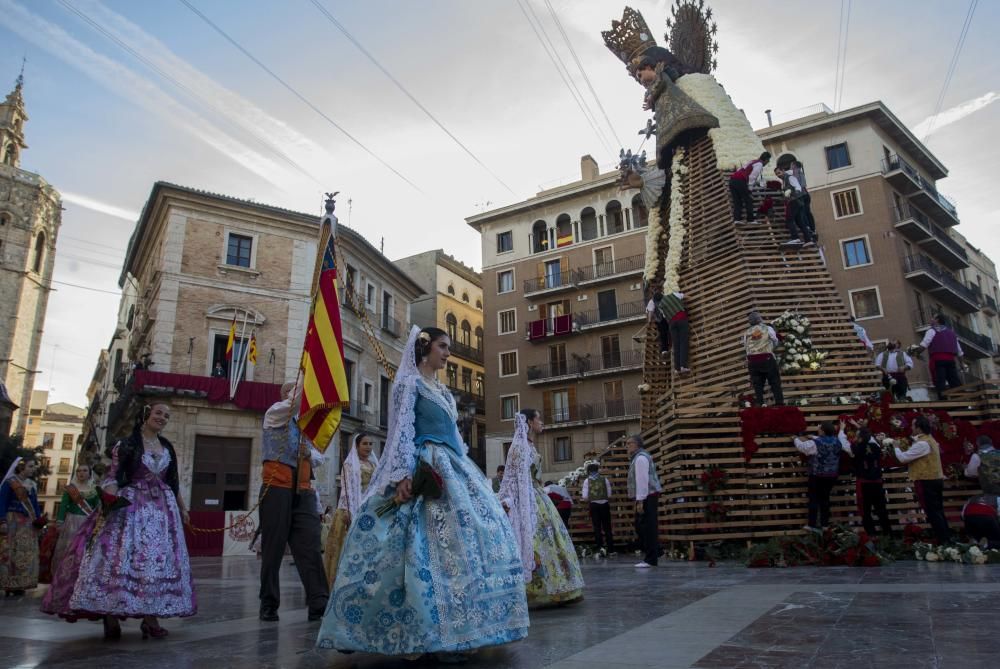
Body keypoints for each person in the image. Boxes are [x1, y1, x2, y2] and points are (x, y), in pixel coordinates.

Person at [317, 327, 528, 659]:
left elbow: (456, 440)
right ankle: (409, 628)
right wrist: (402, 474)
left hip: (453, 466)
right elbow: (402, 427)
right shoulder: (409, 383)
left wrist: (470, 474)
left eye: (448, 348)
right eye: (443, 347)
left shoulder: (443, 392)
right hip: (424, 463)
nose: (447, 354)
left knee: (466, 544)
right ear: (425, 348)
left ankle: (462, 624)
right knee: (413, 546)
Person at [42, 403, 195, 639]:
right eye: (158, 413)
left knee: (155, 561)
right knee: (119, 559)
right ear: (146, 415)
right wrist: (110, 499)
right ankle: (110, 615)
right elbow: (114, 476)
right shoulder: (128, 444)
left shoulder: (167, 447)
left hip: (162, 512)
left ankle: (150, 617)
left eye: (166, 416)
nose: (162, 418)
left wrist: (183, 509)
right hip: (131, 509)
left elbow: (173, 483)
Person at [258, 381, 329, 623]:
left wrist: (310, 453)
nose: (295, 396)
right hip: (277, 485)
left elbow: (319, 457)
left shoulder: (306, 427)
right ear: (284, 395)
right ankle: (268, 603)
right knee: (273, 548)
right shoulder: (274, 414)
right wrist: (307, 374)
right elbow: (296, 401)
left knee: (309, 545)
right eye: (292, 391)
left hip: (304, 488)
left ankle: (319, 602)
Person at [499, 410, 584, 609]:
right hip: (529, 499)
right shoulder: (519, 447)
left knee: (549, 540)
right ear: (529, 422)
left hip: (538, 496)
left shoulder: (529, 445)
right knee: (536, 539)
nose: (541, 422)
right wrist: (510, 501)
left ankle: (557, 586)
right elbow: (512, 478)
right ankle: (536, 590)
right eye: (538, 419)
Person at [322, 432, 378, 589]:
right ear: (357, 446)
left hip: (368, 510)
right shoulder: (349, 465)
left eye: (370, 444)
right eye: (365, 444)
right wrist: (347, 509)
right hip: (350, 509)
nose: (368, 447)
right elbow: (347, 490)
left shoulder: (374, 465)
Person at [894, 415, 951, 544]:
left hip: (927, 481)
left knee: (933, 512)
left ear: (919, 428)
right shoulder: (930, 439)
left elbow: (903, 458)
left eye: (913, 426)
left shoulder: (922, 444)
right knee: (937, 511)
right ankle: (945, 537)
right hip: (934, 479)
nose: (911, 428)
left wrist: (896, 446)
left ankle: (943, 540)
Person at [793, 422, 851, 530]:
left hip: (817, 475)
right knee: (825, 499)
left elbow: (802, 447)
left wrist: (795, 438)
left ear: (823, 431)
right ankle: (825, 524)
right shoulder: (838, 442)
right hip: (832, 475)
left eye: (819, 429)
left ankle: (812, 524)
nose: (818, 430)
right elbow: (828, 442)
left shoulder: (816, 442)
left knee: (813, 499)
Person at [0, 457, 43, 596]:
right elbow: (2, 502)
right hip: (12, 520)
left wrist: (38, 520)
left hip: (28, 523)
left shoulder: (31, 484)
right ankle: (7, 582)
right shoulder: (10, 483)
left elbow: (35, 505)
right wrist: (2, 521)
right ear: (21, 468)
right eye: (30, 466)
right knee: (10, 551)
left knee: (25, 552)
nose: (33, 469)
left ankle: (20, 584)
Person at [50, 463, 99, 571]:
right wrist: (60, 522)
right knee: (69, 548)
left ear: (90, 474)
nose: (81, 473)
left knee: (84, 549)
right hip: (71, 522)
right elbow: (63, 506)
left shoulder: (95, 489)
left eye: (85, 470)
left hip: (87, 523)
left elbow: (97, 508)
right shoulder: (70, 489)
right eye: (79, 471)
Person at [848, 426, 892, 536]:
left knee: (865, 511)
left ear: (861, 438)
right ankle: (888, 535)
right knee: (881, 510)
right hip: (877, 482)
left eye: (857, 436)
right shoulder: (876, 447)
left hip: (864, 483)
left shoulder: (857, 447)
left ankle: (872, 536)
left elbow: (853, 461)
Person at [627, 435, 661, 568]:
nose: (627, 446)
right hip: (647, 495)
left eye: (629, 443)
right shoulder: (639, 457)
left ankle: (651, 559)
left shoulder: (640, 458)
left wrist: (640, 500)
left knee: (646, 527)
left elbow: (642, 480)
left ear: (637, 445)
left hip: (647, 496)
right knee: (643, 526)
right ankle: (657, 551)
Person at [915, 314, 964, 399]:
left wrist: (917, 353)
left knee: (940, 383)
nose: (930, 319)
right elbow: (959, 351)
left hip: (938, 361)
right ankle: (961, 402)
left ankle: (944, 403)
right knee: (954, 382)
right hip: (951, 361)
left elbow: (924, 344)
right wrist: (962, 364)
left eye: (933, 318)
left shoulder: (932, 331)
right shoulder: (951, 332)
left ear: (937, 320)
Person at [742, 311, 784, 406]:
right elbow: (775, 340)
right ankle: (779, 403)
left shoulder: (746, 333)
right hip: (766, 359)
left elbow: (746, 347)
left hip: (752, 361)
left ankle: (760, 404)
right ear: (759, 319)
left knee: (757, 385)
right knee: (774, 381)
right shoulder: (767, 328)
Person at [774, 166, 813, 246]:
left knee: (789, 219)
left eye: (779, 173)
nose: (778, 175)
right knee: (800, 222)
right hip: (797, 202)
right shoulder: (784, 181)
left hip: (794, 201)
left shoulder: (790, 177)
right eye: (776, 174)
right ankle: (808, 240)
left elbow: (798, 187)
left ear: (783, 170)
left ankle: (795, 238)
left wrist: (795, 194)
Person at [581, 462, 614, 554]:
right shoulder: (604, 479)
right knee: (607, 527)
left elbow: (585, 497)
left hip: (594, 505)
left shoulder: (587, 481)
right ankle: (611, 548)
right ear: (597, 470)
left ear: (589, 471)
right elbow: (609, 494)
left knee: (597, 527)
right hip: (605, 504)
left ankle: (600, 548)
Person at [655, 291, 691, 374]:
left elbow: (665, 316)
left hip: (671, 324)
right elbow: (684, 296)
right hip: (681, 320)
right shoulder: (673, 295)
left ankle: (677, 368)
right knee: (683, 342)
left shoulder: (660, 306)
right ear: (662, 294)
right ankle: (683, 366)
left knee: (676, 345)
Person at [729, 152, 770, 224]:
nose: (768, 163)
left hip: (733, 180)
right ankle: (750, 220)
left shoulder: (753, 161)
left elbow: (741, 169)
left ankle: (737, 219)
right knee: (748, 199)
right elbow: (752, 177)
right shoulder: (759, 164)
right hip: (740, 180)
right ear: (766, 160)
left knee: (737, 201)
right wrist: (749, 189)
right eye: (768, 161)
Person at [646, 292, 671, 356]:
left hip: (667, 318)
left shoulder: (664, 298)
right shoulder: (652, 302)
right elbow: (650, 312)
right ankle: (665, 349)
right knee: (663, 334)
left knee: (667, 332)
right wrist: (649, 320)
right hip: (660, 320)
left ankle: (669, 347)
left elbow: (650, 312)